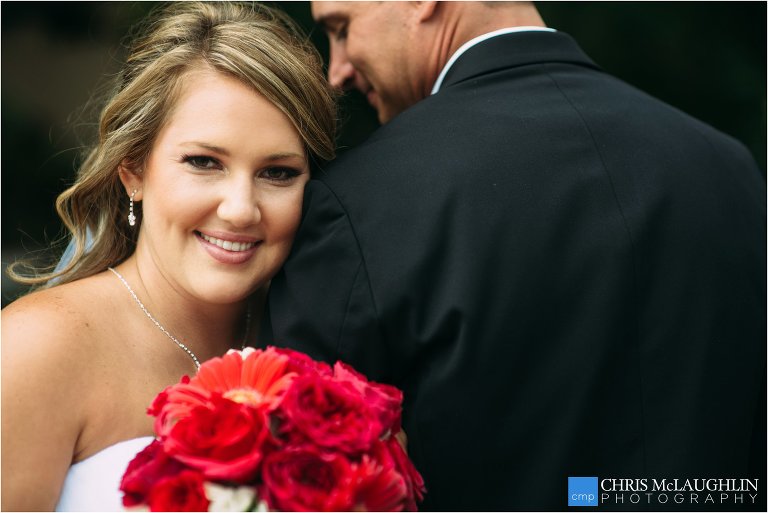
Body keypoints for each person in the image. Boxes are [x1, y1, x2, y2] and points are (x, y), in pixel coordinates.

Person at [260, 2, 766, 510]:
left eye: (342, 29)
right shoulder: (730, 170)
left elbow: (312, 474)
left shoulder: (358, 204)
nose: (336, 71)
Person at [1, 2, 335, 510]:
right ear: (133, 170)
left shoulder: (317, 344)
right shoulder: (36, 349)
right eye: (204, 162)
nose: (241, 209)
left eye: (278, 173)